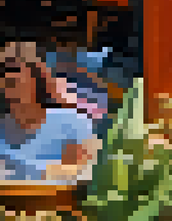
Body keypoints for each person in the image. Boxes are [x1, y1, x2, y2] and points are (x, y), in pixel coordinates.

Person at [1, 42, 100, 181]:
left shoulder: (74, 124)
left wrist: (21, 172)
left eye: (14, 69)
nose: (7, 77)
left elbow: (82, 174)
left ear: (36, 77)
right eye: (3, 71)